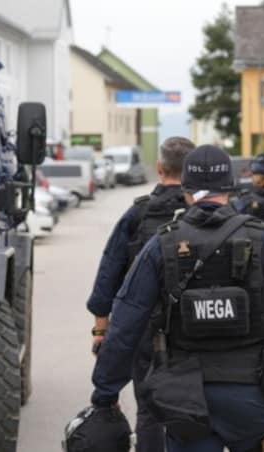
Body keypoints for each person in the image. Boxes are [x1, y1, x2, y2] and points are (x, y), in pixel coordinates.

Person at [90, 145, 264, 452]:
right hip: (252, 395)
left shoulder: (163, 244)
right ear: (231, 185)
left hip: (185, 399)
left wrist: (105, 393)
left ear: (186, 188)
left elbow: (126, 321)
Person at [86, 136, 195, 451]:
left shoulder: (138, 215)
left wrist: (100, 329)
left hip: (147, 329)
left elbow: (108, 274)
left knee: (149, 409)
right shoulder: (208, 216)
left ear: (159, 168)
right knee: (199, 406)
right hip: (199, 327)